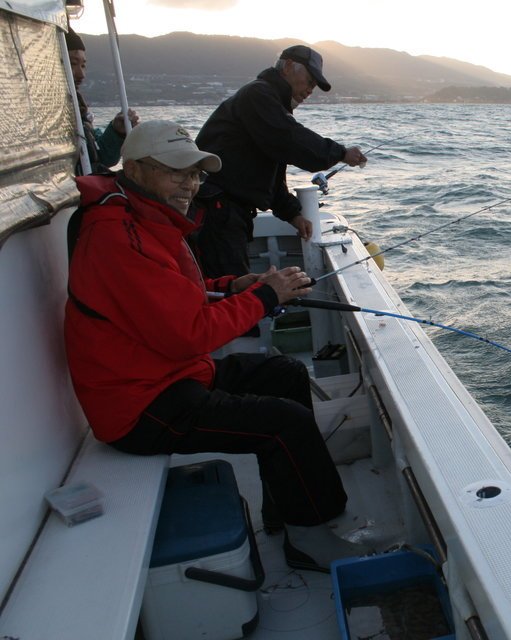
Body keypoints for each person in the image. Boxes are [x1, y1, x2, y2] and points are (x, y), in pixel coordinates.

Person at [65, 120, 369, 572]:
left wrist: (234, 285)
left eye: (194, 174)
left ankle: (285, 510)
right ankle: (310, 539)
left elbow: (173, 294)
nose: (189, 185)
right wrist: (266, 296)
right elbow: (188, 334)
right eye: (176, 172)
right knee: (285, 424)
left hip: (166, 375)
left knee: (285, 374)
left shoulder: (141, 218)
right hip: (138, 406)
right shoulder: (118, 237)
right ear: (135, 168)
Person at [195, 44, 367, 278]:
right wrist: (339, 152)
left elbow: (270, 171)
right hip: (217, 211)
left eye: (314, 86)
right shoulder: (259, 95)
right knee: (230, 290)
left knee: (233, 288)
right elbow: (291, 140)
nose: (310, 90)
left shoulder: (269, 103)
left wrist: (293, 214)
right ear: (287, 66)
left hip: (229, 211)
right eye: (309, 81)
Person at [66, 27, 140, 173]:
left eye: (83, 65)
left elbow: (99, 157)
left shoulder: (79, 110)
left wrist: (116, 131)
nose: (81, 74)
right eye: (73, 64)